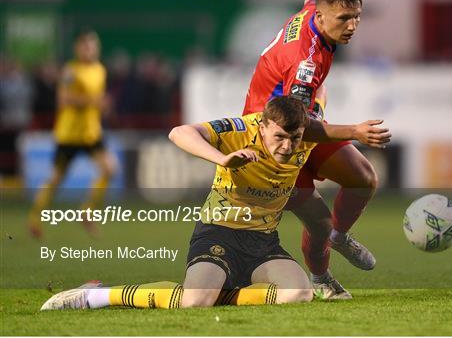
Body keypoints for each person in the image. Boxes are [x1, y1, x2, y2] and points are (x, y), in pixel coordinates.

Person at [40, 96, 391, 310]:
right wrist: (221, 159)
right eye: (279, 137)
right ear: (263, 125)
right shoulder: (240, 128)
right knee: (194, 303)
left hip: (263, 243)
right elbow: (179, 132)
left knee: (298, 294)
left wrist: (357, 131)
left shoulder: (305, 135)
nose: (287, 146)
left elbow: (323, 113)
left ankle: (215, 290)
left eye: (294, 139)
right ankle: (94, 296)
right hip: (218, 234)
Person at [243, 0, 379, 299]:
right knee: (319, 223)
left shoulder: (312, 11)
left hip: (295, 116)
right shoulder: (305, 64)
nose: (352, 26)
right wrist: (355, 131)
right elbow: (296, 129)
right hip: (273, 143)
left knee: (363, 177)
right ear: (320, 18)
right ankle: (321, 280)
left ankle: (340, 237)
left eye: (356, 17)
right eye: (344, 19)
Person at [28, 30, 117, 239]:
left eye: (93, 45)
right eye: (86, 46)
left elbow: (97, 101)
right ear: (78, 48)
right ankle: (34, 218)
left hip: (91, 133)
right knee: (56, 179)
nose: (90, 49)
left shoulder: (100, 70)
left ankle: (87, 212)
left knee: (110, 168)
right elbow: (63, 99)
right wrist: (93, 102)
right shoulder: (71, 70)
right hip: (68, 135)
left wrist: (103, 106)